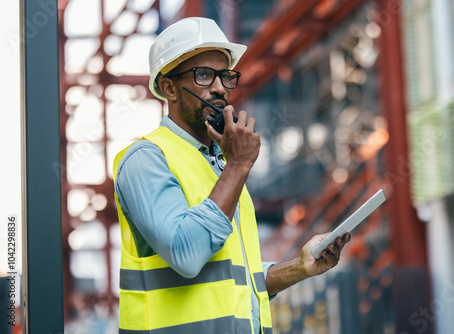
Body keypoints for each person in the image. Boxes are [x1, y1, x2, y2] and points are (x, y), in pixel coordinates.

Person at [113, 17, 350, 334]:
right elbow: (186, 253)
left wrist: (301, 267)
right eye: (203, 75)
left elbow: (237, 281)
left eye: (225, 76)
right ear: (169, 88)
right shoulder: (146, 159)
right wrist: (239, 165)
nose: (219, 87)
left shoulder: (220, 164)